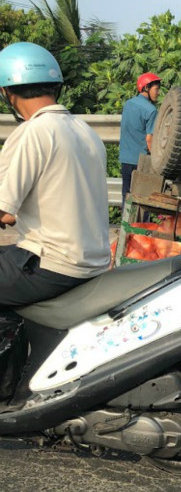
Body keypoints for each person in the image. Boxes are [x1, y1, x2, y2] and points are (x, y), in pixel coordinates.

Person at [0, 42, 110, 308]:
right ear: (55, 86)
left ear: (6, 92)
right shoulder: (86, 131)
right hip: (91, 264)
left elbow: (3, 212)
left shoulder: (32, 132)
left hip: (52, 267)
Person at [119, 72, 161, 203]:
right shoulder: (151, 110)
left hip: (126, 159)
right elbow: (150, 139)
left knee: (126, 196)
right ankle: (140, 224)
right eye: (156, 89)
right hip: (141, 161)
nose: (158, 92)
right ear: (146, 88)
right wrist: (156, 161)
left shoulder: (128, 104)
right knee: (143, 199)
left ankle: (125, 223)